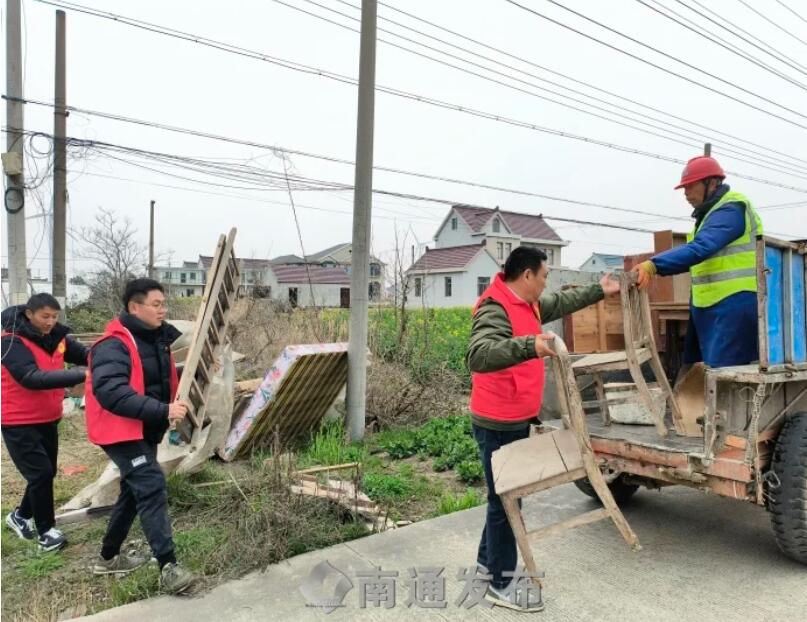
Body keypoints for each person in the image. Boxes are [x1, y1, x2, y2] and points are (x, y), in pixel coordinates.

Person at [467, 246, 620, 612]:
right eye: (545, 275)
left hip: (516, 417)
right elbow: (480, 354)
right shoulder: (495, 308)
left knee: (504, 497)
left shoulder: (529, 304)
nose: (546, 281)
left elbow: (560, 303)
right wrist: (530, 345)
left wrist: (599, 290)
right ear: (527, 276)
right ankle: (499, 583)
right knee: (506, 501)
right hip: (497, 422)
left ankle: (486, 565)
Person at [85, 278, 197, 594]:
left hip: (143, 426)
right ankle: (168, 567)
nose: (164, 310)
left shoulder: (152, 340)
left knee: (134, 492)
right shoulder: (114, 345)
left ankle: (107, 558)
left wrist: (196, 367)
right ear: (135, 307)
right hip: (119, 431)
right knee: (149, 482)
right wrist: (163, 410)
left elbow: (157, 374)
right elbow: (111, 391)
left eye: (164, 304)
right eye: (156, 304)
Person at [632, 155, 763, 368]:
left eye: (690, 187)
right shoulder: (709, 216)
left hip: (734, 304)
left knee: (725, 374)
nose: (686, 194)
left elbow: (701, 248)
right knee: (699, 370)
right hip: (707, 306)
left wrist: (654, 264)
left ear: (711, 183)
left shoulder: (731, 209)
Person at [1, 293, 88, 551]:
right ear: (30, 314)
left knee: (45, 472)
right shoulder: (11, 343)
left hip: (48, 417)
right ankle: (47, 532)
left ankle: (19, 516)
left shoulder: (57, 339)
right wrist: (79, 375)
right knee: (40, 473)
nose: (50, 322)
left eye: (54, 316)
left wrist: (113, 358)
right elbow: (30, 377)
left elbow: (86, 354)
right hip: (17, 420)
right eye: (45, 316)